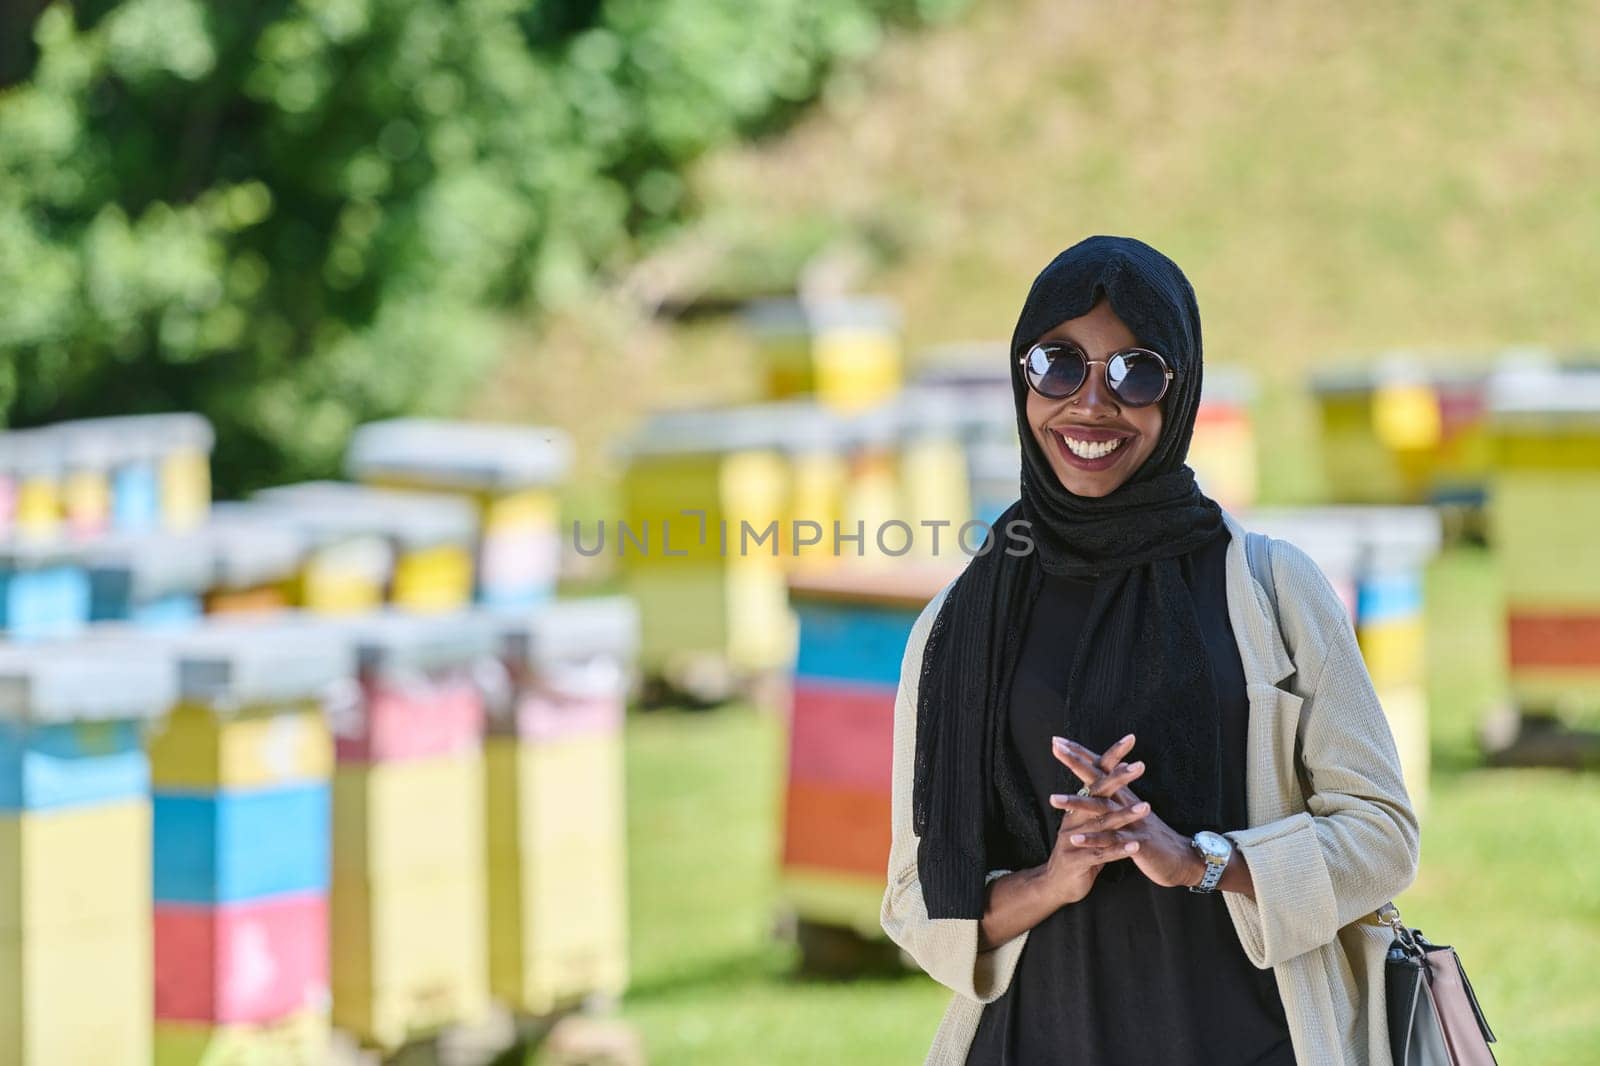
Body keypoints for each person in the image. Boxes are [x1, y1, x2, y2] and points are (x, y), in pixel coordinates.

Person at [880, 236, 1420, 1066]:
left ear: (1182, 390)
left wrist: (1201, 859)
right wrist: (1051, 879)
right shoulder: (958, 626)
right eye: (1059, 365)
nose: (1091, 403)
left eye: (1135, 373)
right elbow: (919, 901)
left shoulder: (1272, 592)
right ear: (1021, 377)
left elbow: (1381, 834)